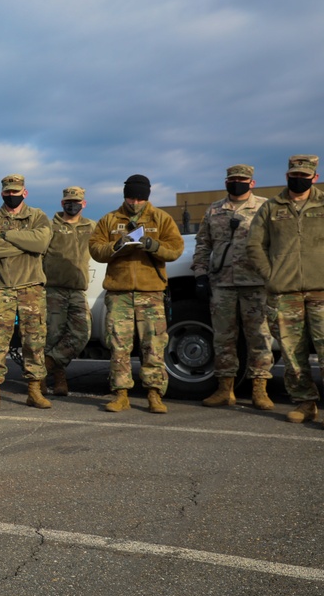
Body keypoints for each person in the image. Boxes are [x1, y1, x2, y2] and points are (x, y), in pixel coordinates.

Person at [88, 174, 184, 413]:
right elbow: (95, 249)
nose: (135, 202)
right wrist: (117, 247)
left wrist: (153, 246)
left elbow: (175, 249)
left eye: (140, 198)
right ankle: (121, 394)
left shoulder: (160, 218)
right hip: (119, 292)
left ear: (146, 197)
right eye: (131, 197)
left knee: (153, 344)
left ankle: (154, 394)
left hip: (150, 291)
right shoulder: (110, 219)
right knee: (118, 344)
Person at [247, 155, 324, 424]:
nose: (298, 178)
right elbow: (254, 245)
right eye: (294, 174)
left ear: (314, 177)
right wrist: (271, 277)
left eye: (304, 174)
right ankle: (305, 402)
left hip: (321, 291)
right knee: (292, 351)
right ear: (287, 175)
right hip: (284, 292)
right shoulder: (271, 207)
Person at [192, 165, 274, 410]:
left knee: (259, 336)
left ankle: (260, 390)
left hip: (256, 283)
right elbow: (203, 244)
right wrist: (200, 275)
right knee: (223, 338)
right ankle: (225, 390)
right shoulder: (214, 209)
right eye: (233, 179)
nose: (237, 183)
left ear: (252, 182)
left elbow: (276, 243)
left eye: (242, 179)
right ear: (226, 182)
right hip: (223, 283)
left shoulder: (265, 207)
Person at [0, 174, 53, 410]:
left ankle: (34, 389)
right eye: (8, 192)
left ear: (25, 192)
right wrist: (25, 245)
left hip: (31, 287)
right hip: (1, 287)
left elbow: (41, 243)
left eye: (16, 191)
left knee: (34, 340)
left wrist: (7, 236)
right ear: (2, 193)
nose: (12, 195)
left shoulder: (38, 216)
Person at [42, 186, 96, 395]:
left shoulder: (91, 227)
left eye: (76, 201)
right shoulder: (50, 226)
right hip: (53, 289)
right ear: (62, 203)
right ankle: (56, 379)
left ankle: (47, 364)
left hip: (77, 290)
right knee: (52, 335)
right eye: (68, 201)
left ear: (84, 204)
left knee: (82, 333)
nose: (72, 205)